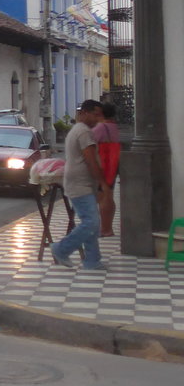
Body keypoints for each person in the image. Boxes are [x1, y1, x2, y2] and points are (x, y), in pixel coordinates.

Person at [50, 99, 107, 271]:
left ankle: (92, 260)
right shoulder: (83, 132)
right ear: (84, 113)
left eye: (99, 115)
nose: (97, 119)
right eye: (94, 114)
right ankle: (61, 249)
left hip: (80, 183)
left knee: (90, 222)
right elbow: (90, 160)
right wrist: (102, 183)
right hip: (80, 184)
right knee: (91, 222)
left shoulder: (78, 130)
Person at [93, 101, 121, 238]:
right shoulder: (113, 127)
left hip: (103, 164)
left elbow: (89, 141)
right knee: (108, 195)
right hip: (112, 164)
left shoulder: (101, 127)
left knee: (103, 196)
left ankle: (105, 228)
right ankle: (107, 227)